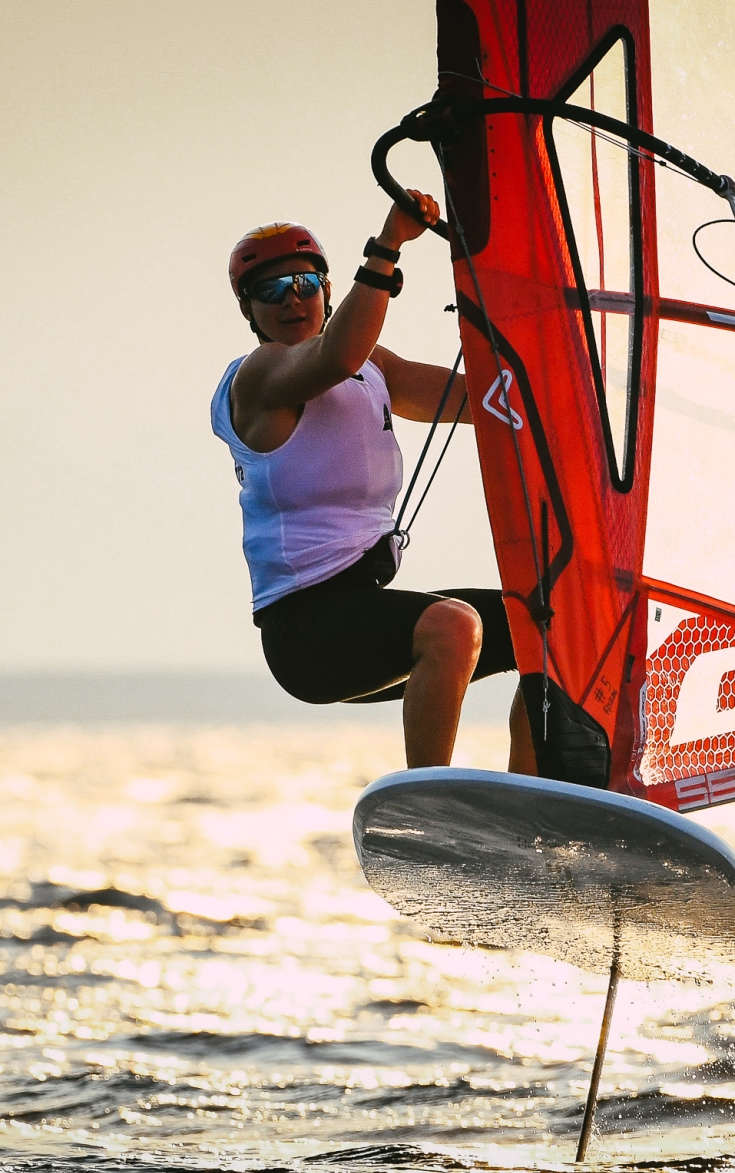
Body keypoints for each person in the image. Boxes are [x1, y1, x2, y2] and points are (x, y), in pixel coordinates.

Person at [210, 191, 534, 773]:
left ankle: (534, 805)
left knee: (542, 625)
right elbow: (335, 356)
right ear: (248, 311)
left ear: (328, 292)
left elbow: (477, 402)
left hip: (363, 608)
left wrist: (543, 358)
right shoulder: (259, 378)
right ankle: (429, 801)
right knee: (453, 626)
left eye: (305, 285)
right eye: (270, 292)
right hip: (304, 634)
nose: (292, 301)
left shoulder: (374, 366)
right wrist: (388, 245)